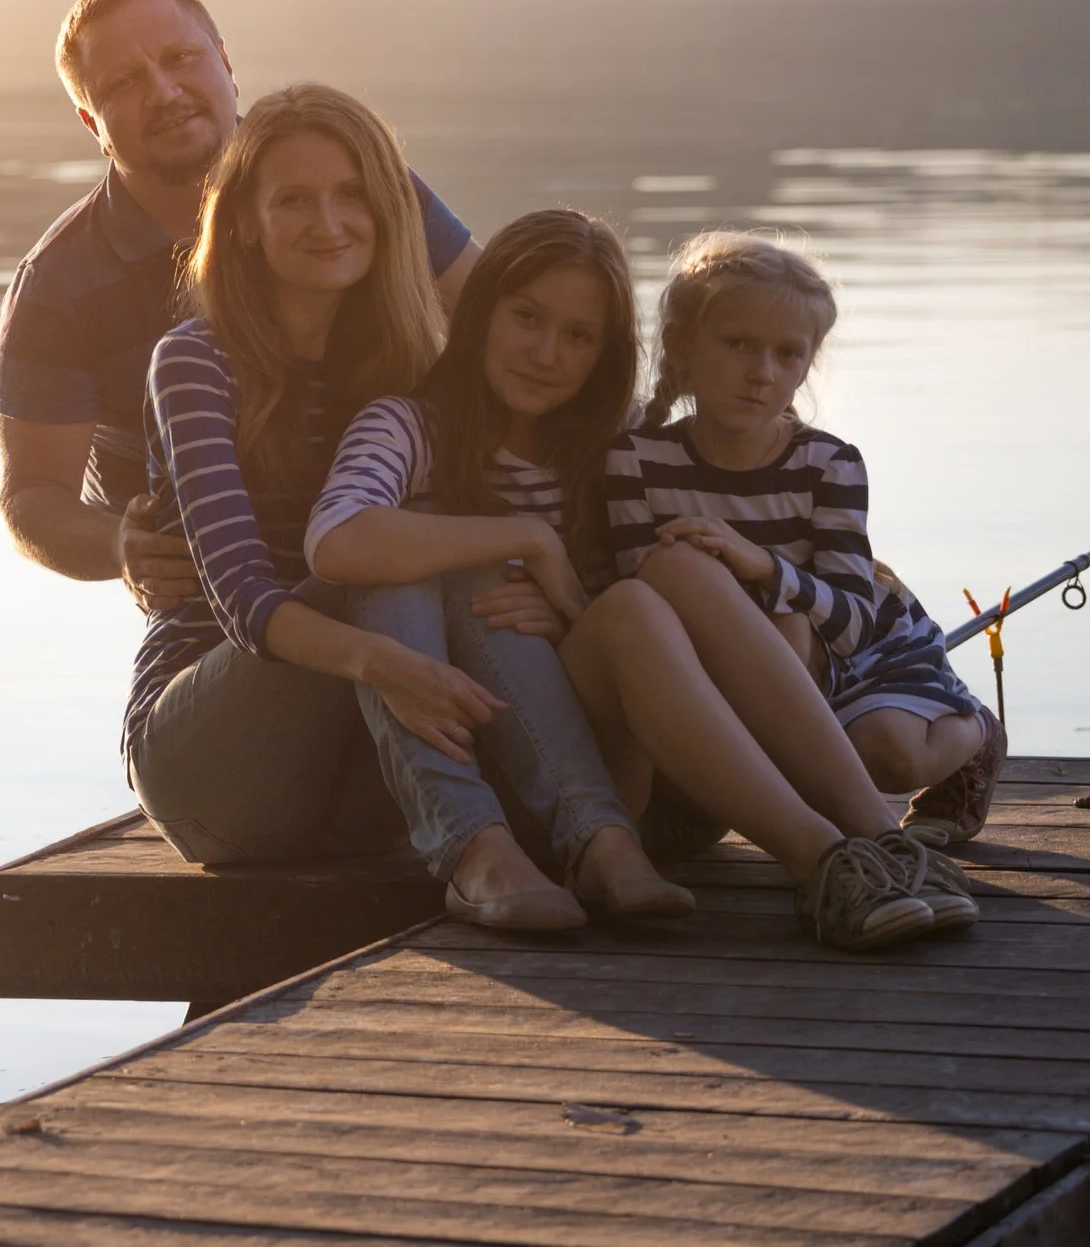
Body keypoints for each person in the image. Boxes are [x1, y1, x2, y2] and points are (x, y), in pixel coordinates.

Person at [0, 0, 477, 616]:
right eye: (124, 84)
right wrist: (121, 546)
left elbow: (503, 329)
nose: (165, 93)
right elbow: (32, 495)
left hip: (400, 549)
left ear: (225, 62)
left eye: (181, 59)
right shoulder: (60, 287)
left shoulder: (352, 178)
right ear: (92, 122)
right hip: (219, 609)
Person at [125, 83, 496, 870]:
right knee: (376, 560)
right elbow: (242, 601)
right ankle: (493, 853)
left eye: (351, 195)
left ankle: (572, 836)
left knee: (441, 567)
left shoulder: (419, 367)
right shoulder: (195, 362)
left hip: (364, 766)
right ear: (247, 225)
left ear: (390, 212)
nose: (327, 224)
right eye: (294, 199)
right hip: (212, 767)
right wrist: (386, 661)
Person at [304, 210, 693, 929]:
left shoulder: (627, 441)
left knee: (476, 575)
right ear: (482, 311)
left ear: (605, 354)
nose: (545, 352)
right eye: (526, 316)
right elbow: (336, 540)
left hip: (615, 764)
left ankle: (601, 839)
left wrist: (576, 615)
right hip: (453, 764)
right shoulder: (408, 425)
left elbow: (679, 593)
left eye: (578, 336)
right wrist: (527, 538)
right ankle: (477, 850)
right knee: (402, 566)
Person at [602, 230, 1002, 852]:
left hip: (865, 651)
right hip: (728, 657)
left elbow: (850, 624)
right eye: (738, 344)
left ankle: (974, 731)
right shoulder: (637, 460)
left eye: (788, 355)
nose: (762, 373)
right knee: (770, 631)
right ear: (681, 345)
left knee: (891, 754)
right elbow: (638, 587)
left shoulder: (828, 465)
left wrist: (762, 566)